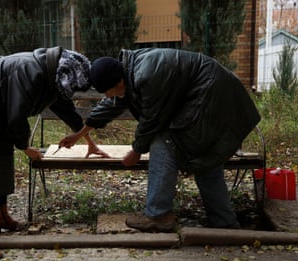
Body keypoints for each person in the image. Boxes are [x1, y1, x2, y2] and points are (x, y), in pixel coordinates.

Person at [58, 48, 261, 232]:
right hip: (213, 96)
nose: (106, 95)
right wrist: (79, 134)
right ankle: (224, 221)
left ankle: (158, 214)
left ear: (117, 82)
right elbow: (111, 106)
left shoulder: (146, 75)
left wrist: (136, 150)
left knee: (165, 141)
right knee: (204, 157)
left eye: (106, 91)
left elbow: (152, 120)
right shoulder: (129, 72)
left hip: (211, 96)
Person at [0, 46, 108, 261]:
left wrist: (88, 141)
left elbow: (66, 109)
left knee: (2, 152)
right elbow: (16, 119)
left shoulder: (54, 74)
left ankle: (0, 215)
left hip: (0, 102)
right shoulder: (31, 74)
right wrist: (25, 147)